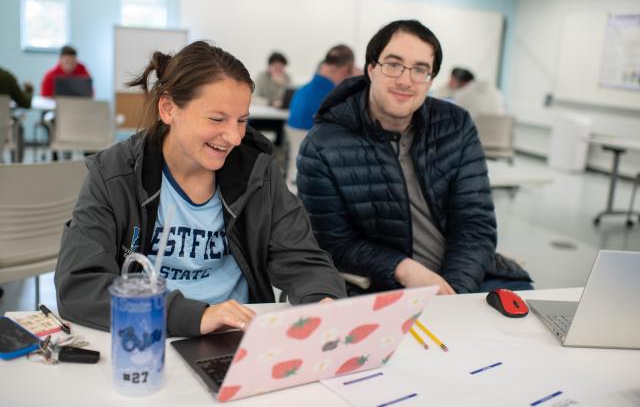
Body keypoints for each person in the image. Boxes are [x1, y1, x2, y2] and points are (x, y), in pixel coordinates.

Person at [54, 41, 346, 337]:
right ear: (168, 109)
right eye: (217, 119)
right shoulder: (114, 174)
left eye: (242, 121)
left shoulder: (258, 172)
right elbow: (80, 286)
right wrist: (195, 316)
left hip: (237, 336)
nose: (233, 137)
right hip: (149, 336)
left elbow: (303, 258)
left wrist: (322, 297)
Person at [297, 20, 532, 296]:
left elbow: (474, 223)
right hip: (383, 284)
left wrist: (455, 294)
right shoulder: (323, 145)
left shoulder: (455, 124)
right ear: (371, 69)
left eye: (420, 69)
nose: (406, 80)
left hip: (467, 278)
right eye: (393, 64)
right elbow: (332, 243)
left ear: (431, 80)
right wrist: (402, 268)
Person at [285, 44, 355, 184]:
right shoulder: (333, 98)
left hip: (295, 176)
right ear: (347, 69)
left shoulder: (301, 91)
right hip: (319, 177)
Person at [0, 67, 33, 163]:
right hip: (3, 129)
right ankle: (17, 163)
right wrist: (28, 91)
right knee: (18, 127)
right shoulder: (6, 77)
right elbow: (25, 103)